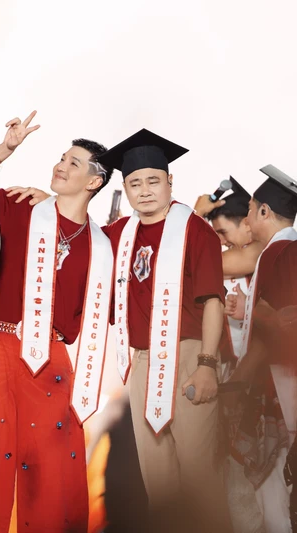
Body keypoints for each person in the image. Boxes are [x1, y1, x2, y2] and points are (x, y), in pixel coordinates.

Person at [0, 135, 115, 533]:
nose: (61, 166)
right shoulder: (19, 206)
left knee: (52, 471)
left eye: (74, 163)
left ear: (94, 182)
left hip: (52, 357)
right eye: (61, 158)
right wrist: (4, 149)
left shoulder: (102, 245)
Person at [100, 129, 232, 532]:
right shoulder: (118, 235)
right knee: (156, 479)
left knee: (198, 476)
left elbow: (213, 301)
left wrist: (207, 364)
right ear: (125, 188)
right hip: (142, 362)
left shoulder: (195, 229)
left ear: (170, 182)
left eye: (153, 181)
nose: (144, 191)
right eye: (134, 183)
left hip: (189, 355)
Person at [227, 165, 297, 532]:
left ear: (266, 211)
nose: (248, 219)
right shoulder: (288, 250)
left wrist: (239, 386)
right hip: (284, 385)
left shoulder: (276, 253)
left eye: (251, 210)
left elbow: (275, 329)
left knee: (273, 496)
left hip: (277, 390)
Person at [195, 177, 267, 533]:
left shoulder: (264, 252)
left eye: (223, 233)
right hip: (237, 379)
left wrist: (194, 217)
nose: (220, 243)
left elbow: (192, 258)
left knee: (259, 485)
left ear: (248, 223)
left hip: (260, 387)